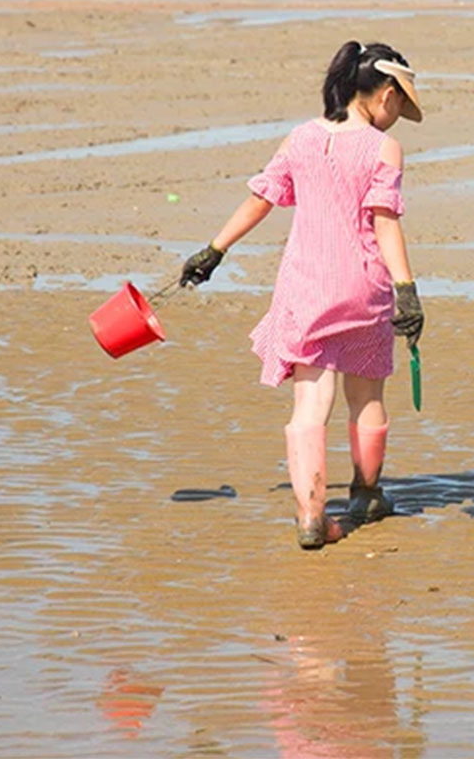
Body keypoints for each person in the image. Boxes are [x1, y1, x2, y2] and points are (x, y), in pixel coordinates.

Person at [180, 41, 426, 550]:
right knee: (367, 395)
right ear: (384, 95)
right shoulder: (384, 148)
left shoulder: (300, 139)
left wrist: (213, 250)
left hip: (306, 287)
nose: (399, 113)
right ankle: (365, 494)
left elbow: (261, 198)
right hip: (363, 287)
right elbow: (384, 223)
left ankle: (312, 518)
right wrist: (407, 289)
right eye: (400, 103)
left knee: (310, 404)